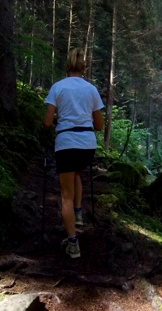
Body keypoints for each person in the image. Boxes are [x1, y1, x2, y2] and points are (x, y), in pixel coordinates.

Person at [43, 48, 105, 259]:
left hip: (67, 143)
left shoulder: (58, 87)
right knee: (77, 173)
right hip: (87, 145)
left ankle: (73, 244)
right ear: (84, 66)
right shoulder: (91, 89)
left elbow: (47, 122)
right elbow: (99, 125)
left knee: (65, 195)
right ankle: (78, 214)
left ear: (66, 65)